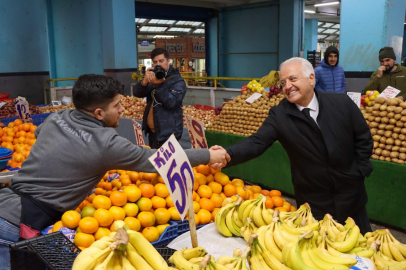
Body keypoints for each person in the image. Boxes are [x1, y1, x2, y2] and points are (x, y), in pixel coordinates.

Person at [0, 74, 229, 269]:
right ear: (99, 113)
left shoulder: (58, 117)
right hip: (14, 223)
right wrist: (208, 155)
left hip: (7, 203)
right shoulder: (106, 144)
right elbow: (160, 159)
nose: (122, 109)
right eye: (117, 105)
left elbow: (40, 135)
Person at [213, 57, 373, 234]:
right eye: (283, 83)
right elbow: (257, 141)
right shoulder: (279, 116)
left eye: (293, 79)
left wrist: (358, 172)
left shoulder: (341, 103)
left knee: (365, 247)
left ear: (311, 78)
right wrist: (228, 153)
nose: (287, 86)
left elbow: (363, 138)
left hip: (352, 198)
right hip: (314, 203)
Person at [134, 48, 186, 149]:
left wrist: (158, 86)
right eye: (155, 62)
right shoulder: (153, 77)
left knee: (167, 164)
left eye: (161, 61)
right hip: (153, 133)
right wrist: (144, 82)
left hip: (169, 134)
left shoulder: (177, 81)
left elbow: (171, 102)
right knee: (155, 163)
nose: (158, 64)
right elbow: (137, 93)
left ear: (168, 61)